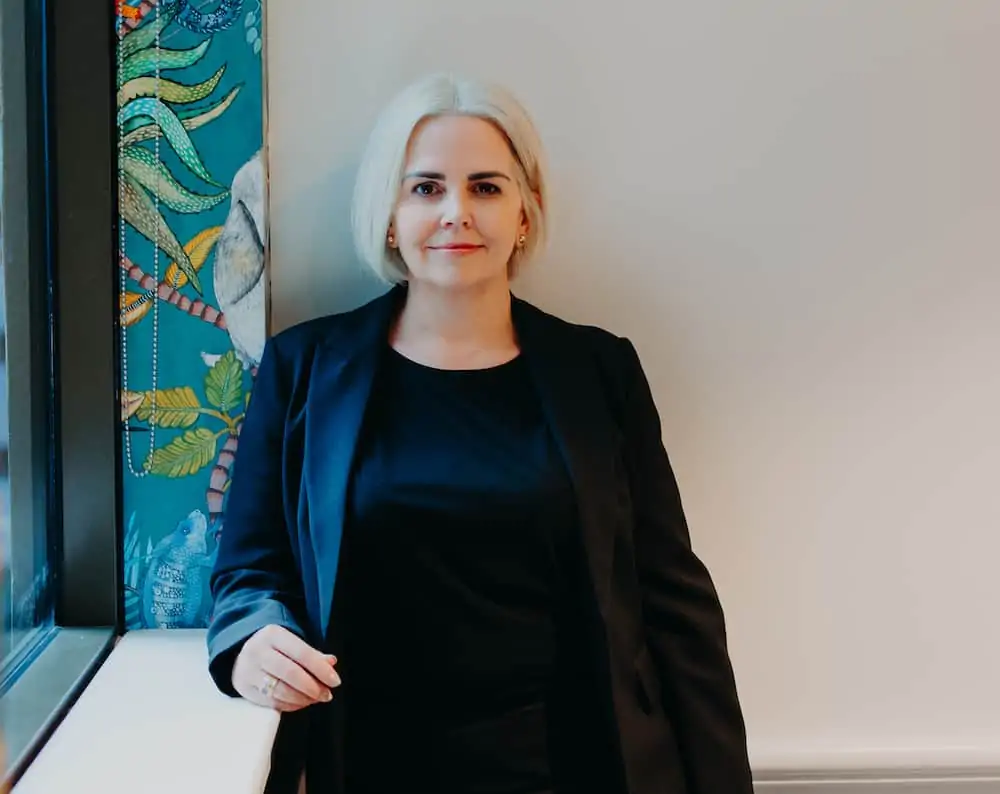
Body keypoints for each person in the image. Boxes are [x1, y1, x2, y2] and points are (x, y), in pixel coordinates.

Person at [207, 73, 753, 794]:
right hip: (368, 762)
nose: (456, 213)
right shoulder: (304, 368)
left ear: (526, 212)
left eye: (487, 187)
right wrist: (247, 644)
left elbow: (674, 601)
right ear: (389, 216)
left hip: (576, 766)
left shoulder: (600, 371)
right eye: (426, 188)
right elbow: (250, 566)